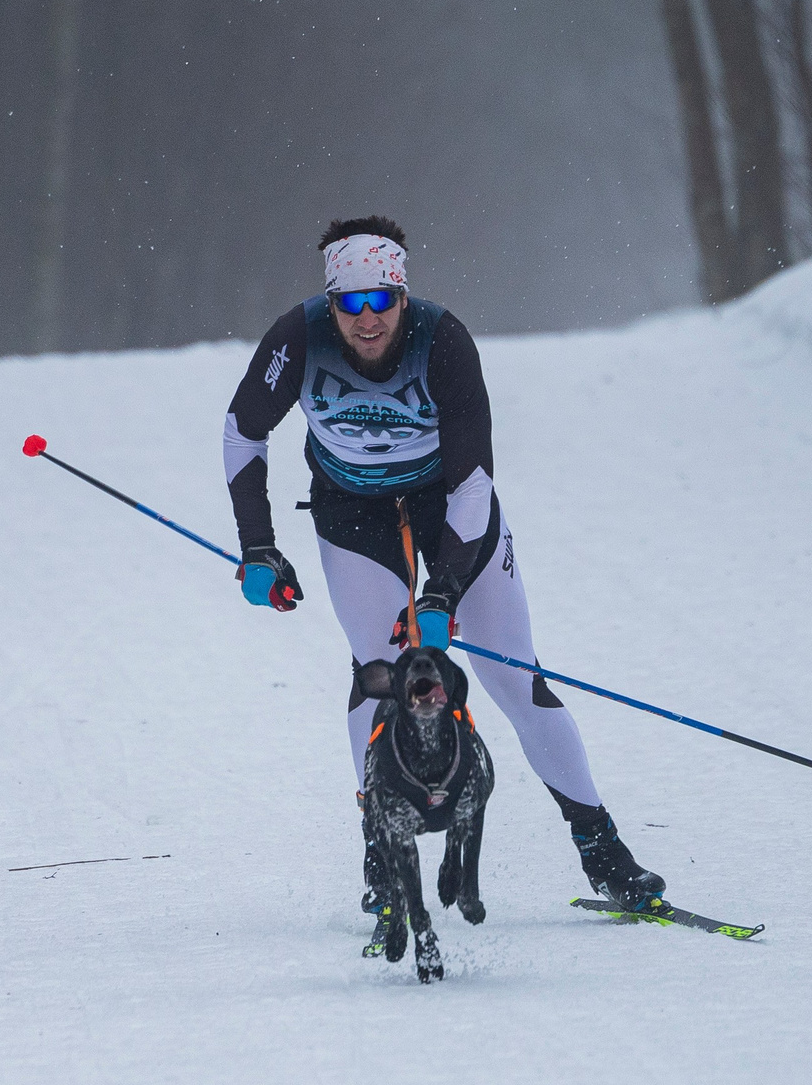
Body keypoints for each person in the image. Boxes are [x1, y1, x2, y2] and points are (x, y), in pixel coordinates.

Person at [221, 216, 665, 912]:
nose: (368, 321)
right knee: (377, 672)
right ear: (331, 304)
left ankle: (602, 850)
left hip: (447, 508)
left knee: (514, 677)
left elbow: (472, 484)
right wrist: (258, 546)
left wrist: (444, 592)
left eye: (382, 302)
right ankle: (382, 852)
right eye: (350, 305)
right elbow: (243, 432)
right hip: (353, 513)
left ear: (404, 295)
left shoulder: (444, 341)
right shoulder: (297, 339)